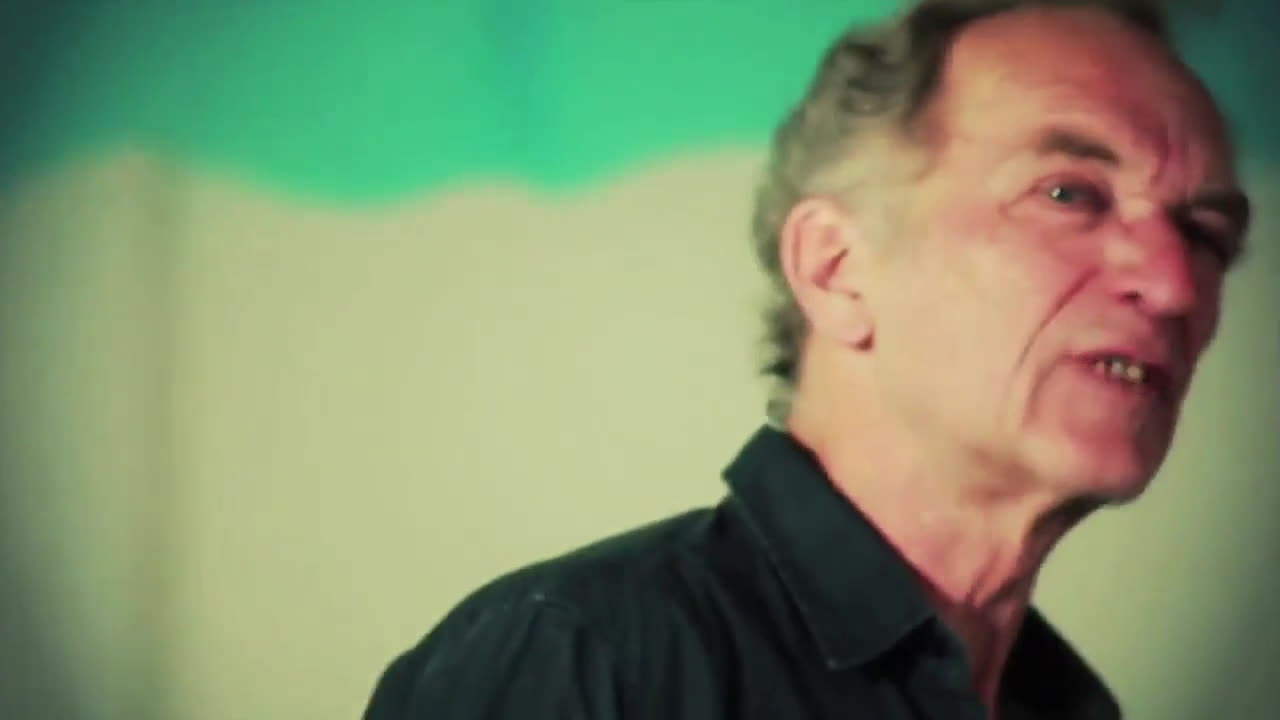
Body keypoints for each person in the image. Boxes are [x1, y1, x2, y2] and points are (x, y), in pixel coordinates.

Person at [363, 0, 1252, 717]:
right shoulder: (584, 662)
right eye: (1068, 193)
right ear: (835, 269)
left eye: (1206, 234)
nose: (1174, 283)